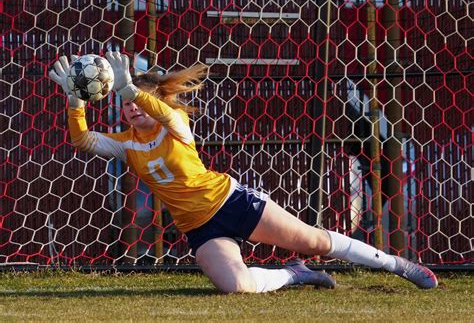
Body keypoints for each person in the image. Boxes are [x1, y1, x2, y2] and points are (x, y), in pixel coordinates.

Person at [49, 52, 438, 293]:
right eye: (125, 102)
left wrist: (132, 89)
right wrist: (74, 102)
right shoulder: (126, 142)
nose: (131, 108)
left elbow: (164, 112)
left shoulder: (176, 122)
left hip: (231, 202)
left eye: (136, 101)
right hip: (199, 227)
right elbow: (84, 141)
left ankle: (396, 264)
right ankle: (294, 275)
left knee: (316, 242)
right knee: (237, 287)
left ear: (152, 100)